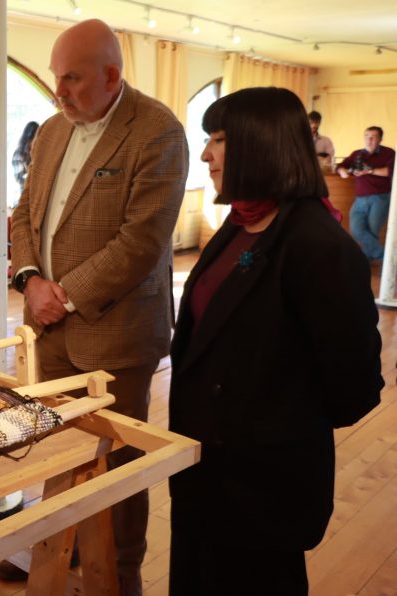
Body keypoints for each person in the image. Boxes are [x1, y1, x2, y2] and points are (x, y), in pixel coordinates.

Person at [169, 87, 382, 594]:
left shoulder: (318, 246)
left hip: (261, 488)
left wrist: (269, 417)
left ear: (262, 144)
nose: (205, 154)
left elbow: (354, 387)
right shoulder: (240, 225)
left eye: (219, 139)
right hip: (205, 470)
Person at [9, 19, 188, 594]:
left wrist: (67, 295)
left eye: (72, 79)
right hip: (49, 329)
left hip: (117, 337)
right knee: (61, 453)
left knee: (118, 468)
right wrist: (31, 279)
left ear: (112, 76)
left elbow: (143, 240)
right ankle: (66, 560)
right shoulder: (52, 132)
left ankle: (121, 576)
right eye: (56, 78)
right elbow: (23, 215)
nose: (58, 92)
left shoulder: (156, 130)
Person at [336, 126, 395, 262]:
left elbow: (389, 171)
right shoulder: (357, 154)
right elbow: (341, 165)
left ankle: (365, 265)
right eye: (366, 136)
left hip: (380, 198)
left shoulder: (389, 153)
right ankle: (387, 259)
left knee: (372, 232)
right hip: (360, 199)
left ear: (380, 139)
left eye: (373, 137)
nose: (369, 140)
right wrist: (342, 171)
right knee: (356, 231)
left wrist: (369, 171)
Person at [12, 121, 39, 193]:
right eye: (35, 137)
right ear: (29, 138)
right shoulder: (18, 154)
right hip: (25, 193)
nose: (37, 141)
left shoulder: (39, 152)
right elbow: (19, 178)